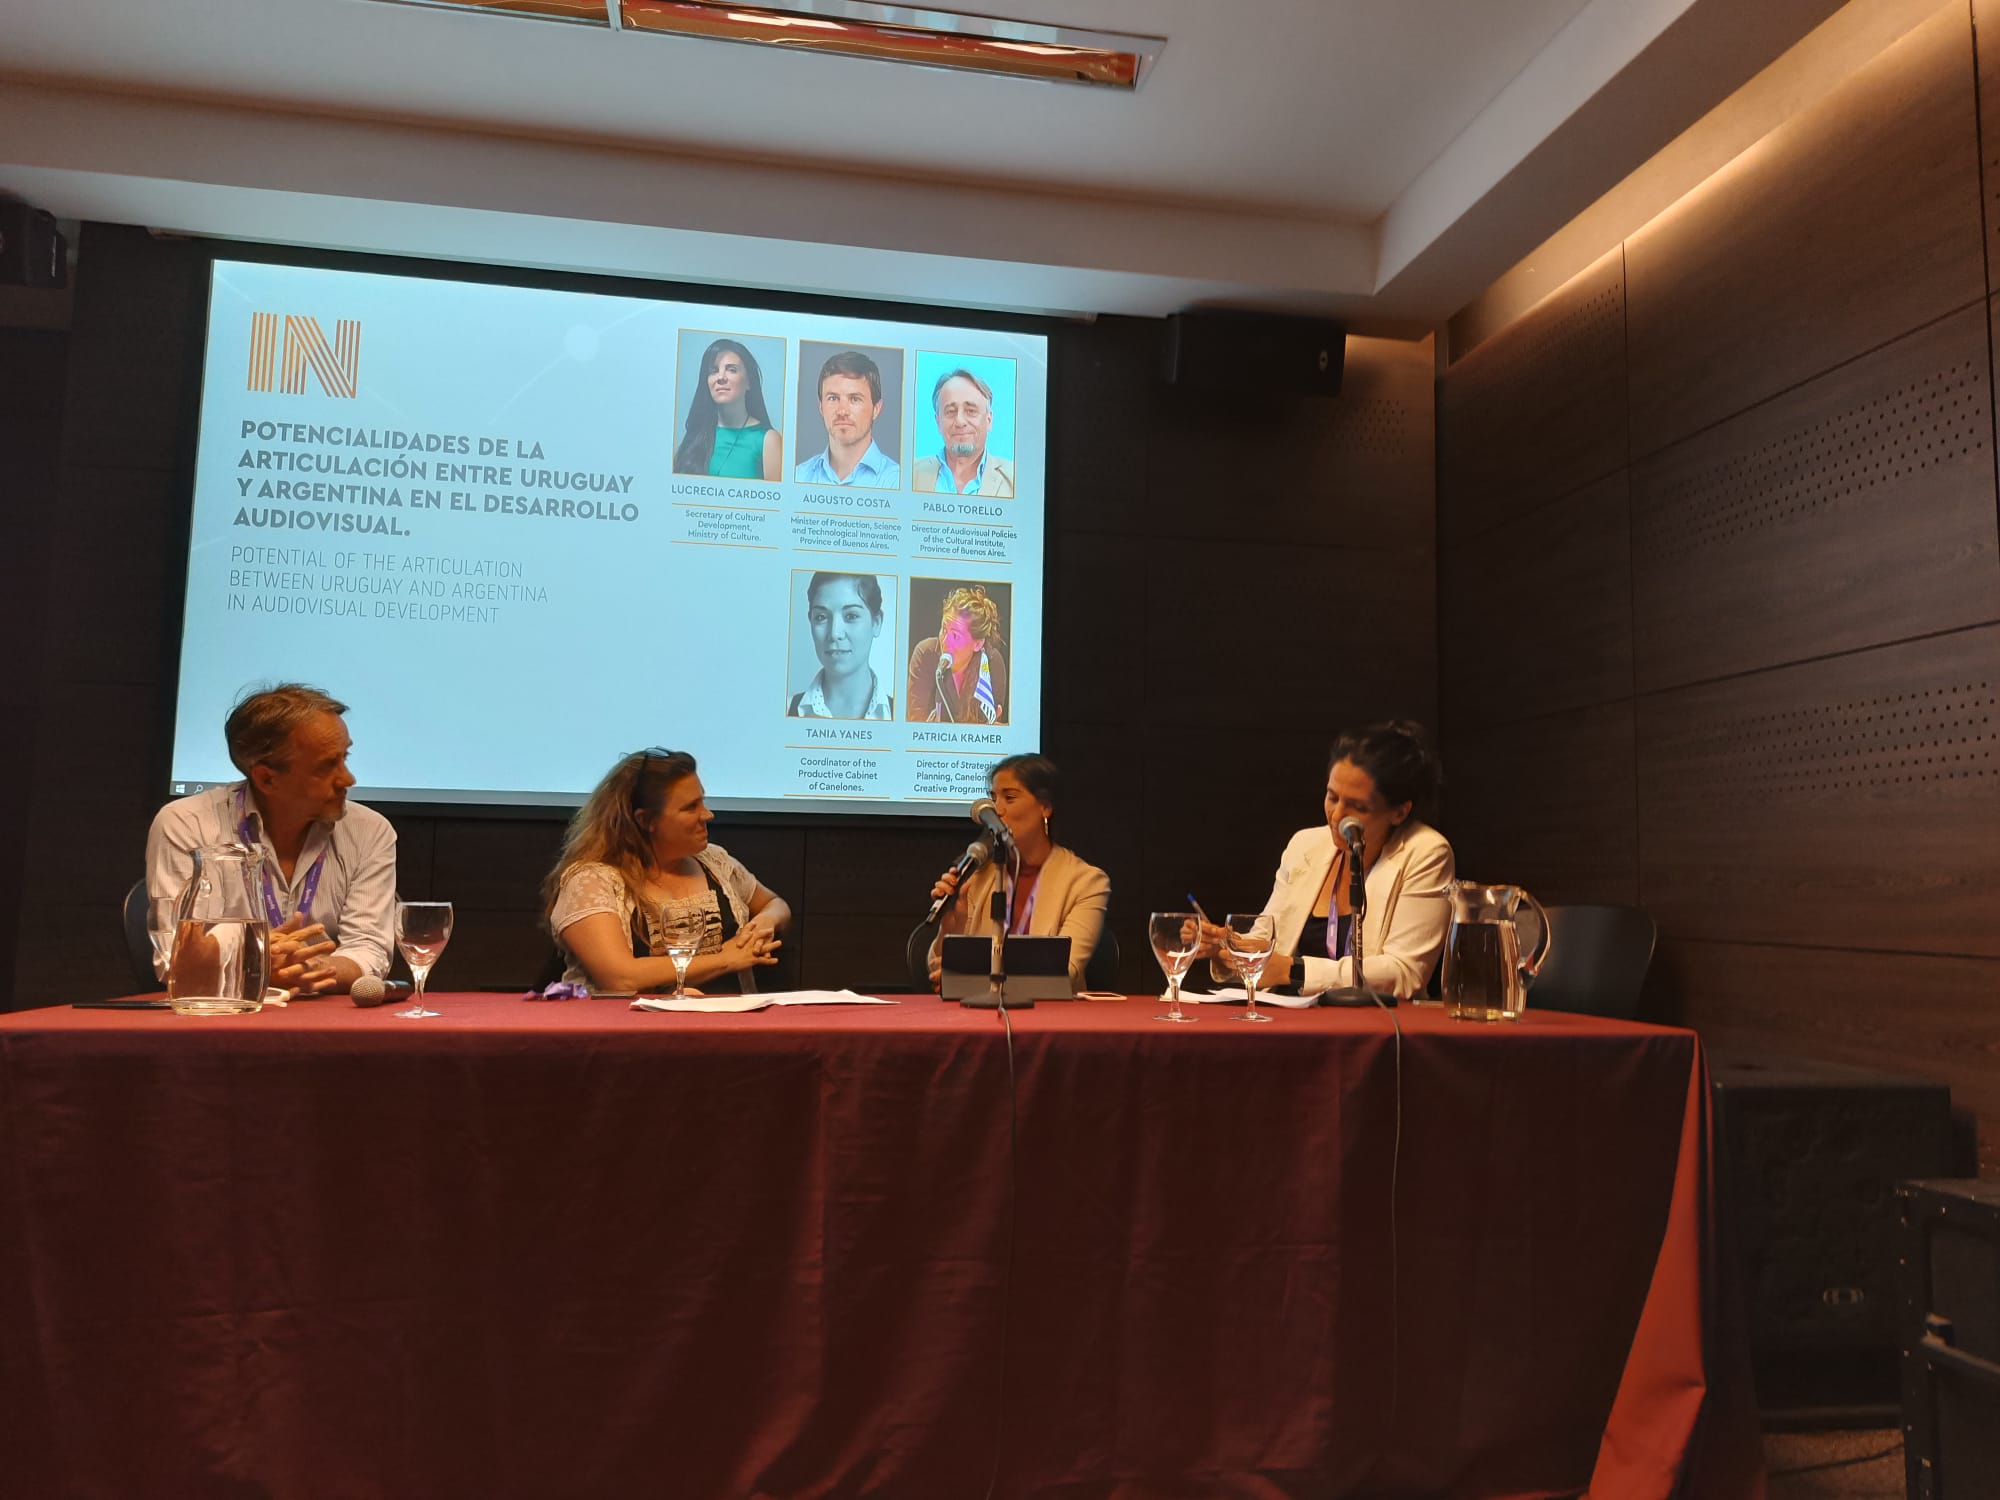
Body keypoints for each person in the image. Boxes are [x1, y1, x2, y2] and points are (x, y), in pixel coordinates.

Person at [144, 683, 395, 996]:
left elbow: (370, 950)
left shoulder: (370, 831)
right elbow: (175, 959)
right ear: (266, 778)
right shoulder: (187, 824)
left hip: (326, 1018)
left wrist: (309, 969)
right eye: (327, 766)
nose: (348, 779)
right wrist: (258, 964)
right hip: (222, 1017)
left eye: (345, 757)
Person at [1212, 721, 1453, 1001]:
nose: (1337, 815)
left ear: (1399, 812)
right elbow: (1266, 944)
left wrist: (1295, 971)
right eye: (1332, 797)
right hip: (1289, 1019)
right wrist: (1228, 947)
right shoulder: (1305, 844)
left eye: (1357, 806)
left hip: (1376, 1028)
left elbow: (1404, 972)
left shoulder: (1426, 852)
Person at [544, 749, 790, 993]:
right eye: (690, 807)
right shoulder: (592, 881)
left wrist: (765, 921)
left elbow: (775, 903)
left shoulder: (714, 862)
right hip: (628, 1028)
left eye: (702, 801)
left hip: (727, 1024)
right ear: (645, 821)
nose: (707, 814)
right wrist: (726, 958)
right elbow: (619, 978)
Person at [926, 754, 1109, 993]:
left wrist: (974, 977)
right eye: (993, 799)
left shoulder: (1086, 882)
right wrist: (952, 923)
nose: (997, 810)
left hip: (1052, 1019)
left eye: (1010, 798)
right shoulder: (977, 873)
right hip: (977, 1015)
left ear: (1045, 807)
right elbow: (936, 969)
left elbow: (1066, 969)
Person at [673, 337, 783, 482]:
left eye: (731, 370)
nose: (720, 377)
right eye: (713, 371)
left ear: (749, 382)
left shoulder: (768, 440)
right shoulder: (694, 437)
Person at [789, 572, 893, 719]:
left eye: (851, 616)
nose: (834, 633)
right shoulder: (785, 710)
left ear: (876, 622)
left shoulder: (905, 714)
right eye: (821, 617)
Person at [793, 351, 901, 488]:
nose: (842, 411)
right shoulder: (799, 477)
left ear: (876, 409)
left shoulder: (897, 481)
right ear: (821, 407)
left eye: (855, 399)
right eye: (833, 398)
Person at [905, 585, 1008, 724]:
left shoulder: (992, 663)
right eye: (944, 629)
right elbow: (915, 724)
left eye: (955, 636)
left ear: (977, 644)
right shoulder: (925, 655)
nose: (945, 641)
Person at [912, 368, 1015, 497]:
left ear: (989, 420)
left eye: (971, 411)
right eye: (950, 411)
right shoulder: (908, 473)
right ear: (938, 422)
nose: (960, 421)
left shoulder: (1017, 479)